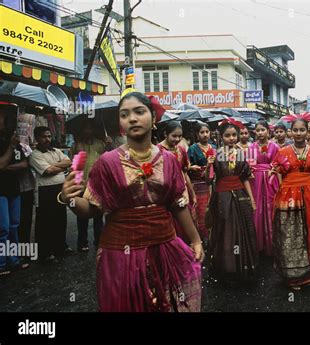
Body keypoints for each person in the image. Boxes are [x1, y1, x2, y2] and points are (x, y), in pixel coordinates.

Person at [60, 92, 203, 312]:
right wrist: (69, 199)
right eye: (124, 114)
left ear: (154, 120)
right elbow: (91, 209)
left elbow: (177, 204)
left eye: (139, 111)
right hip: (119, 252)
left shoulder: (168, 160)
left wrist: (196, 240)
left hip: (164, 247)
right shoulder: (106, 163)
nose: (132, 118)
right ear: (120, 124)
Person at [272, 117, 310, 290]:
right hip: (287, 197)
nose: (298, 133)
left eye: (302, 130)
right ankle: (292, 276)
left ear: (307, 132)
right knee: (290, 235)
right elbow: (279, 175)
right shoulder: (282, 152)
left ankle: (308, 271)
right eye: (295, 130)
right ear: (290, 132)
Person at [205, 118, 258, 281]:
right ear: (220, 137)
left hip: (240, 195)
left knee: (243, 229)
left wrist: (252, 199)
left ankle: (243, 266)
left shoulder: (242, 154)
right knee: (224, 230)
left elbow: (246, 178)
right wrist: (208, 165)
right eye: (227, 135)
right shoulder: (215, 154)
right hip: (222, 196)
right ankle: (226, 267)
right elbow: (208, 180)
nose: (232, 138)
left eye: (234, 135)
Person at [29, 126, 73, 262]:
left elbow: (69, 161)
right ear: (37, 138)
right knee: (46, 221)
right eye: (43, 136)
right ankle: (45, 253)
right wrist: (61, 166)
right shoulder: (34, 154)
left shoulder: (56, 150)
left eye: (48, 136)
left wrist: (54, 166)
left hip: (60, 188)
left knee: (60, 218)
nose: (47, 139)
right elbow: (47, 171)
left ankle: (60, 247)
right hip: (45, 191)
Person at [70, 120, 112, 252]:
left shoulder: (101, 144)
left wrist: (109, 146)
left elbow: (109, 159)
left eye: (90, 129)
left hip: (97, 186)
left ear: (93, 130)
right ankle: (82, 243)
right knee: (82, 216)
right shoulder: (77, 145)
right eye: (85, 129)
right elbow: (73, 165)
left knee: (98, 215)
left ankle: (99, 240)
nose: (88, 131)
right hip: (81, 185)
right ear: (82, 131)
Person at [0, 104, 30, 276]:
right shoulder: (8, 142)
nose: (4, 120)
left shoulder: (10, 138)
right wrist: (11, 149)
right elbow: (1, 164)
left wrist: (9, 166)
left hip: (13, 188)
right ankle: (2, 263)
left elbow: (24, 163)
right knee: (2, 227)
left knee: (13, 226)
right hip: (1, 190)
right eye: (2, 117)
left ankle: (14, 260)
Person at [158, 121, 197, 243]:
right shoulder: (157, 150)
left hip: (182, 191)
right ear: (165, 134)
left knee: (185, 224)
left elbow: (184, 173)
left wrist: (192, 194)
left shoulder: (181, 150)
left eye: (180, 136)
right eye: (174, 136)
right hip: (165, 194)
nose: (177, 139)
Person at [248, 120, 280, 255]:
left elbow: (278, 164)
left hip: (270, 179)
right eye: (258, 130)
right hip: (255, 180)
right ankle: (259, 244)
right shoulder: (251, 147)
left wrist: (273, 172)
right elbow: (249, 165)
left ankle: (273, 244)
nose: (260, 133)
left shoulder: (275, 147)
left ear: (268, 131)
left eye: (263, 130)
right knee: (258, 210)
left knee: (271, 208)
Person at [187, 122, 215, 242]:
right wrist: (192, 167)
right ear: (197, 135)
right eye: (202, 132)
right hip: (197, 185)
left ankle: (211, 238)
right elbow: (186, 166)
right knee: (200, 213)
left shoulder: (213, 147)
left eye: (207, 132)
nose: (205, 135)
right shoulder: (192, 149)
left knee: (211, 211)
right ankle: (201, 240)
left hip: (211, 184)